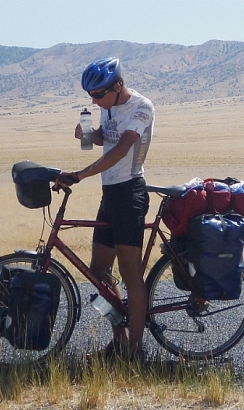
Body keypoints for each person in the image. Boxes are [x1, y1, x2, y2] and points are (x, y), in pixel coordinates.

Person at [60, 57, 155, 359]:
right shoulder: (108, 105)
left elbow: (123, 148)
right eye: (90, 95)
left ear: (117, 86)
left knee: (130, 276)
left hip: (130, 193)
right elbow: (108, 139)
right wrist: (89, 134)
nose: (94, 100)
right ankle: (119, 340)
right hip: (110, 194)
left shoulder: (142, 107)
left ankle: (135, 352)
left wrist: (81, 174)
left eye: (98, 94)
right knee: (98, 271)